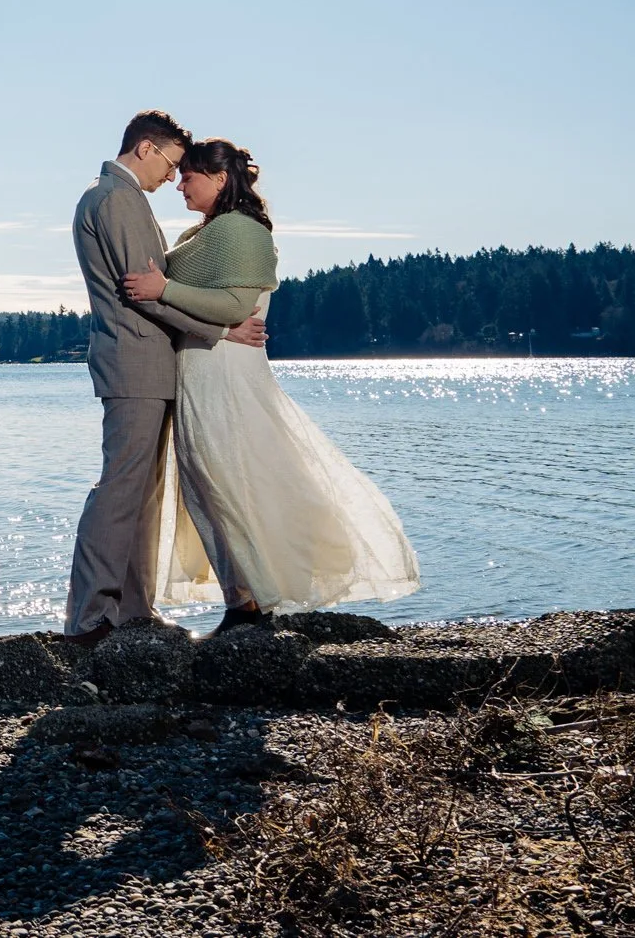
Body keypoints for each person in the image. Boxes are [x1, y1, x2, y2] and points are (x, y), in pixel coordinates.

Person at [122, 138, 419, 621]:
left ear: (219, 179)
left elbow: (237, 308)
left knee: (230, 483)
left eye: (190, 175)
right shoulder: (202, 234)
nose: (180, 183)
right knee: (203, 486)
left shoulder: (243, 232)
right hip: (200, 375)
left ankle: (258, 599)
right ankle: (242, 602)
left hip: (226, 377)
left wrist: (165, 287)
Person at [62, 110, 268, 644]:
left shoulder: (120, 198)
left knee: (143, 490)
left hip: (146, 364)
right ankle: (91, 618)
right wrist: (220, 331)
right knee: (120, 489)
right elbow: (143, 291)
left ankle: (131, 609)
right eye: (172, 163)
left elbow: (153, 288)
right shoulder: (115, 198)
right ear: (147, 149)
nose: (173, 178)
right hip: (133, 361)